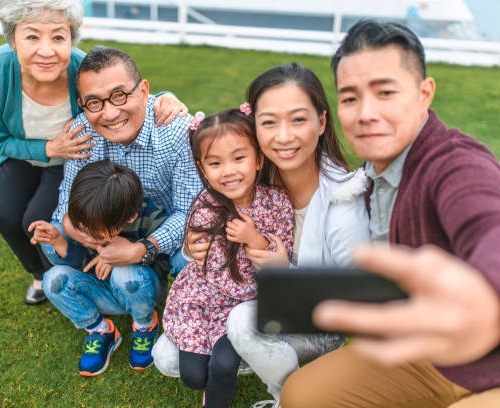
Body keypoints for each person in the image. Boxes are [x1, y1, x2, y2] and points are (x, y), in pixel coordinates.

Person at [280, 20, 500, 407]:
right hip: (423, 352)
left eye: (385, 92)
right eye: (350, 97)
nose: (366, 113)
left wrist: (493, 303)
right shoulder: (375, 172)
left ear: (425, 94)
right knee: (300, 395)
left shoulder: (456, 164)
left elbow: (496, 233)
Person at [153, 64, 370, 408]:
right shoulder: (253, 171)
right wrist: (192, 246)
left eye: (298, 120)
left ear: (322, 122)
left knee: (242, 322)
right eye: (269, 122)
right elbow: (211, 142)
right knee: (166, 357)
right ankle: (251, 353)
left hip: (314, 319)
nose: (283, 136)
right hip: (237, 298)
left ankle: (292, 397)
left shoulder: (344, 203)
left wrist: (283, 270)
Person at [0, 0, 187, 305]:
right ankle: (41, 272)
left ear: (71, 37)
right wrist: (49, 148)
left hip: (72, 157)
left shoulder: (81, 68)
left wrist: (166, 98)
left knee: (35, 217)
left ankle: (71, 270)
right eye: (32, 36)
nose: (46, 50)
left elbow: (124, 91)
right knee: (5, 216)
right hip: (22, 153)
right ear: (12, 38)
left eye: (58, 37)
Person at [44, 45, 201, 374]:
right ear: (83, 105)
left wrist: (141, 249)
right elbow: (65, 210)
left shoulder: (175, 131)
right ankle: (102, 324)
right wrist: (101, 243)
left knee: (195, 248)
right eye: (95, 103)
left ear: (144, 91)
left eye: (119, 95)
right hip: (107, 237)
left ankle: (189, 312)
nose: (110, 113)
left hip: (164, 240)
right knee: (52, 245)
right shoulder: (83, 133)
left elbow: (189, 212)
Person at [162, 107, 295, 408]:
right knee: (193, 376)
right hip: (205, 301)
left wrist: (254, 239)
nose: (229, 171)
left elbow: (279, 259)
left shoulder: (277, 203)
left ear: (259, 158)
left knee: (222, 364)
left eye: (239, 158)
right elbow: (206, 263)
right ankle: (211, 376)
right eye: (215, 163)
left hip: (247, 303)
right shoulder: (205, 206)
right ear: (203, 168)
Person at [29, 160, 170, 375]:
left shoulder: (151, 218)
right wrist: (60, 241)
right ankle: (100, 329)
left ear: (129, 218)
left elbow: (162, 268)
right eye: (82, 227)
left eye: (93, 231)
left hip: (140, 289)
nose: (85, 235)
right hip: (103, 291)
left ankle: (145, 324)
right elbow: (83, 266)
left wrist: (123, 255)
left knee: (125, 273)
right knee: (52, 279)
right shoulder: (88, 217)